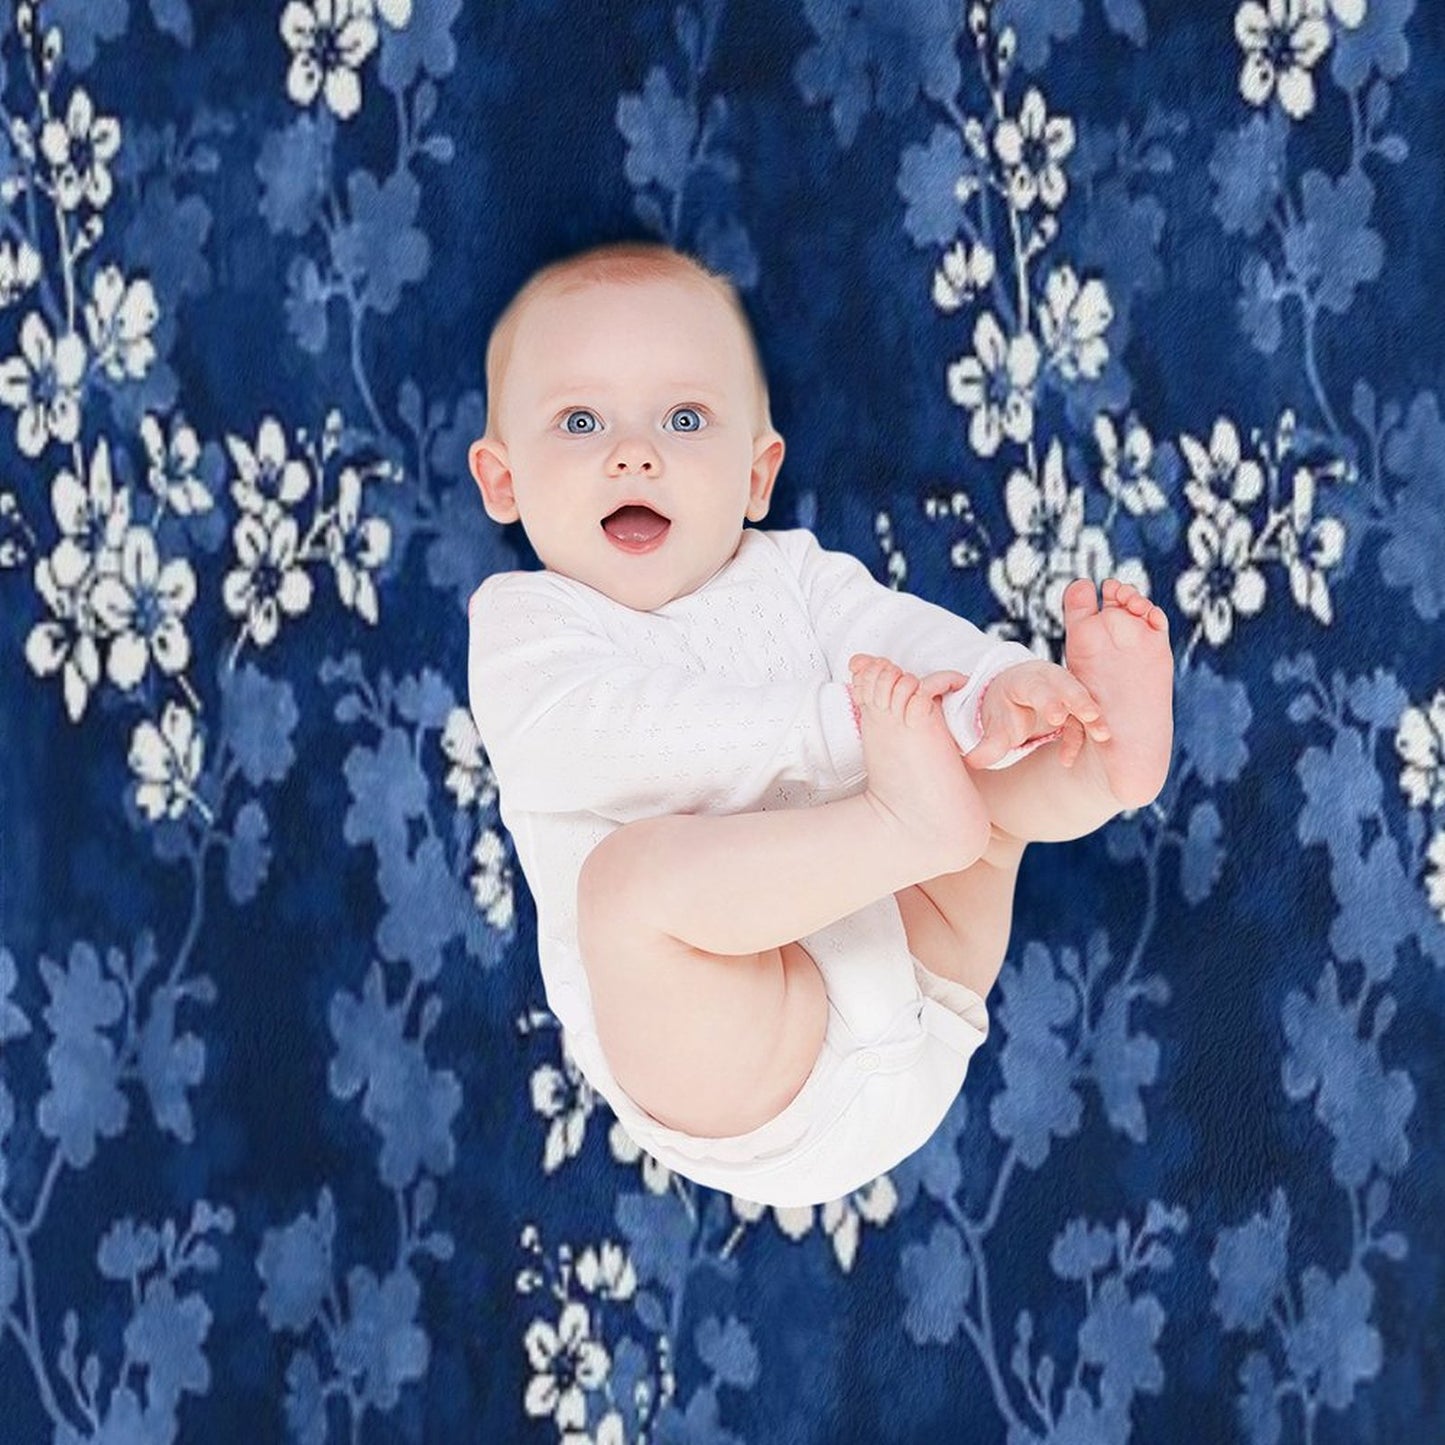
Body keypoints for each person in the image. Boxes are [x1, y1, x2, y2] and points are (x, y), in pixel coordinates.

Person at [465, 240, 1174, 1207]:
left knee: (980, 781)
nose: (635, 452)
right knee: (625, 889)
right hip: (750, 1060)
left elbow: (896, 634)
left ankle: (1093, 765)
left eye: (684, 417)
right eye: (580, 420)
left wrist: (991, 686)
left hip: (923, 975)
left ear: (755, 476)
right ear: (503, 482)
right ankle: (913, 822)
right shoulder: (527, 625)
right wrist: (844, 730)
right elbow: (608, 740)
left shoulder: (791, 573)